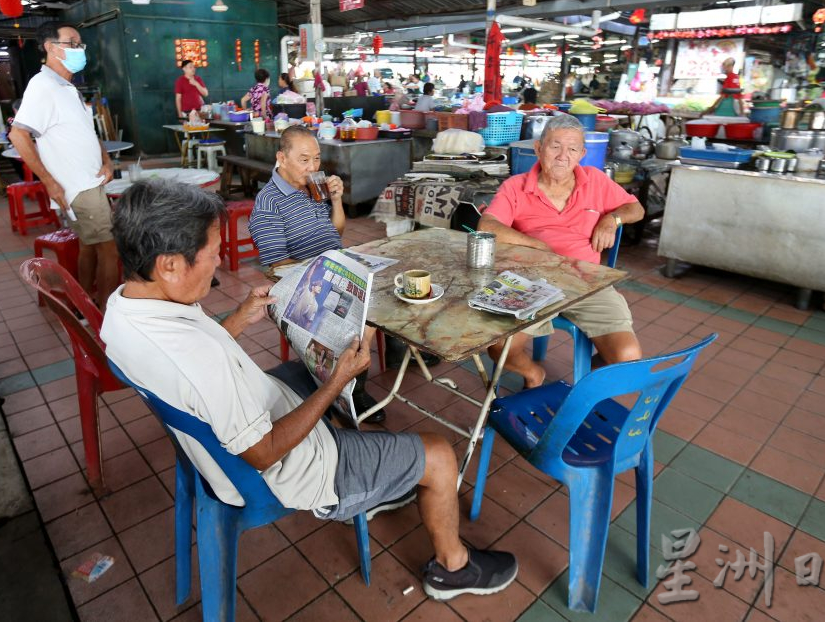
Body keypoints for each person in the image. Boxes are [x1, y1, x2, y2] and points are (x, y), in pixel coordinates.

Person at [102, 179, 518, 601]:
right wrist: (336, 380)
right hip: (292, 468)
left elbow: (198, 364)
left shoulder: (123, 308)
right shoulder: (193, 359)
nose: (218, 263)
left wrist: (240, 319)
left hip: (251, 411)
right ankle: (453, 567)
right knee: (440, 455)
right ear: (170, 265)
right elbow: (262, 452)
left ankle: (376, 466)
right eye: (212, 255)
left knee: (325, 366)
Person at [478, 116, 644, 388]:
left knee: (627, 357)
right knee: (500, 346)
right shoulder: (516, 186)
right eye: (555, 146)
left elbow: (635, 209)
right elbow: (488, 225)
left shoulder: (596, 181)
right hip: (529, 280)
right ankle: (534, 375)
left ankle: (578, 387)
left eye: (572, 149)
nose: (563, 156)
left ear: (582, 154)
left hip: (586, 280)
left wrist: (611, 219)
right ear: (538, 148)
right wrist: (539, 246)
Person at [249, 126, 390, 421]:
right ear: (281, 158)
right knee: (364, 312)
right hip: (303, 282)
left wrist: (336, 200)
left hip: (335, 265)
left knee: (390, 285)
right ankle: (353, 392)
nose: (313, 167)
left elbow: (335, 232)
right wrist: (321, 270)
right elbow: (277, 269)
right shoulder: (268, 203)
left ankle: (399, 353)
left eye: (316, 159)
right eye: (304, 160)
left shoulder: (312, 189)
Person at [9, 21, 119, 308]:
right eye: (72, 43)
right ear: (50, 48)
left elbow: (87, 132)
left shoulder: (68, 88)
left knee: (90, 247)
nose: (79, 49)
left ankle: (82, 304)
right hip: (79, 187)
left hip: (90, 181)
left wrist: (106, 161)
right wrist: (49, 182)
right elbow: (18, 135)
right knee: (110, 250)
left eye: (80, 44)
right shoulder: (43, 85)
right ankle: (106, 317)